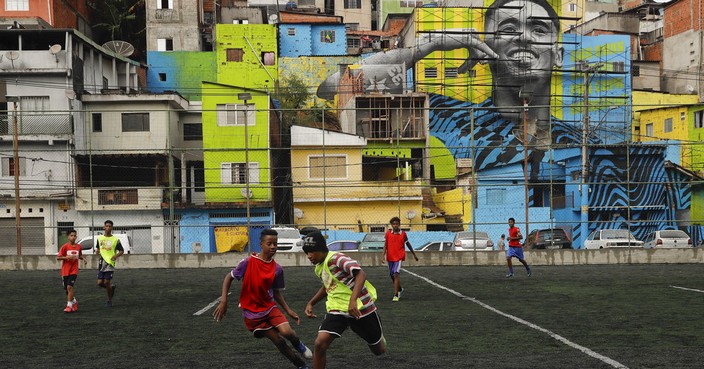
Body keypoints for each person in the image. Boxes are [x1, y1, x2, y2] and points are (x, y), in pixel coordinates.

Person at [213, 229, 312, 369]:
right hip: (252, 314)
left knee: (287, 332)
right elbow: (228, 277)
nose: (273, 247)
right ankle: (301, 365)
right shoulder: (248, 262)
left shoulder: (277, 269)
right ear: (261, 244)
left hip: (269, 307)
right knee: (279, 341)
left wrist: (288, 310)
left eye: (275, 244)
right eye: (269, 243)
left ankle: (298, 344)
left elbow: (276, 293)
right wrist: (224, 300)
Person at [303, 231, 386, 369]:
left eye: (312, 251)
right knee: (320, 344)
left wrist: (353, 301)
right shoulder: (319, 267)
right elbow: (328, 285)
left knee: (379, 351)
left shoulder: (337, 258)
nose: (309, 256)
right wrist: (311, 302)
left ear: (322, 249)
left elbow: (361, 274)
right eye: (306, 252)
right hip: (337, 310)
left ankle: (380, 338)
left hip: (360, 309)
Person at [383, 216, 418, 302]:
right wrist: (383, 255)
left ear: (399, 225)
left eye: (397, 224)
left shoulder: (403, 234)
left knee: (396, 274)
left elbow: (407, 244)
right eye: (393, 224)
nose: (395, 225)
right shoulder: (388, 233)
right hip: (390, 257)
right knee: (392, 275)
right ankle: (399, 289)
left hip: (399, 257)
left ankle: (396, 294)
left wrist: (414, 254)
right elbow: (385, 245)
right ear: (391, 225)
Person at [95, 220, 124, 307]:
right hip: (101, 263)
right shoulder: (99, 238)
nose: (108, 228)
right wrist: (97, 251)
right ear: (104, 227)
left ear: (112, 228)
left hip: (110, 263)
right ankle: (111, 288)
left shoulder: (115, 240)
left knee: (107, 282)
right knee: (100, 283)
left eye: (109, 226)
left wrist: (115, 256)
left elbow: (122, 251)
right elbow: (98, 248)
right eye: (106, 226)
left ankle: (109, 300)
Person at [56, 229, 85, 313]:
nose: (73, 237)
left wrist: (83, 259)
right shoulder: (65, 247)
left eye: (74, 235)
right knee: (67, 289)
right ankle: (74, 301)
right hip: (65, 270)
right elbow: (58, 257)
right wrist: (67, 257)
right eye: (71, 235)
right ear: (68, 237)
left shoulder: (78, 247)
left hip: (74, 270)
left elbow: (79, 255)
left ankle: (69, 306)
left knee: (69, 287)